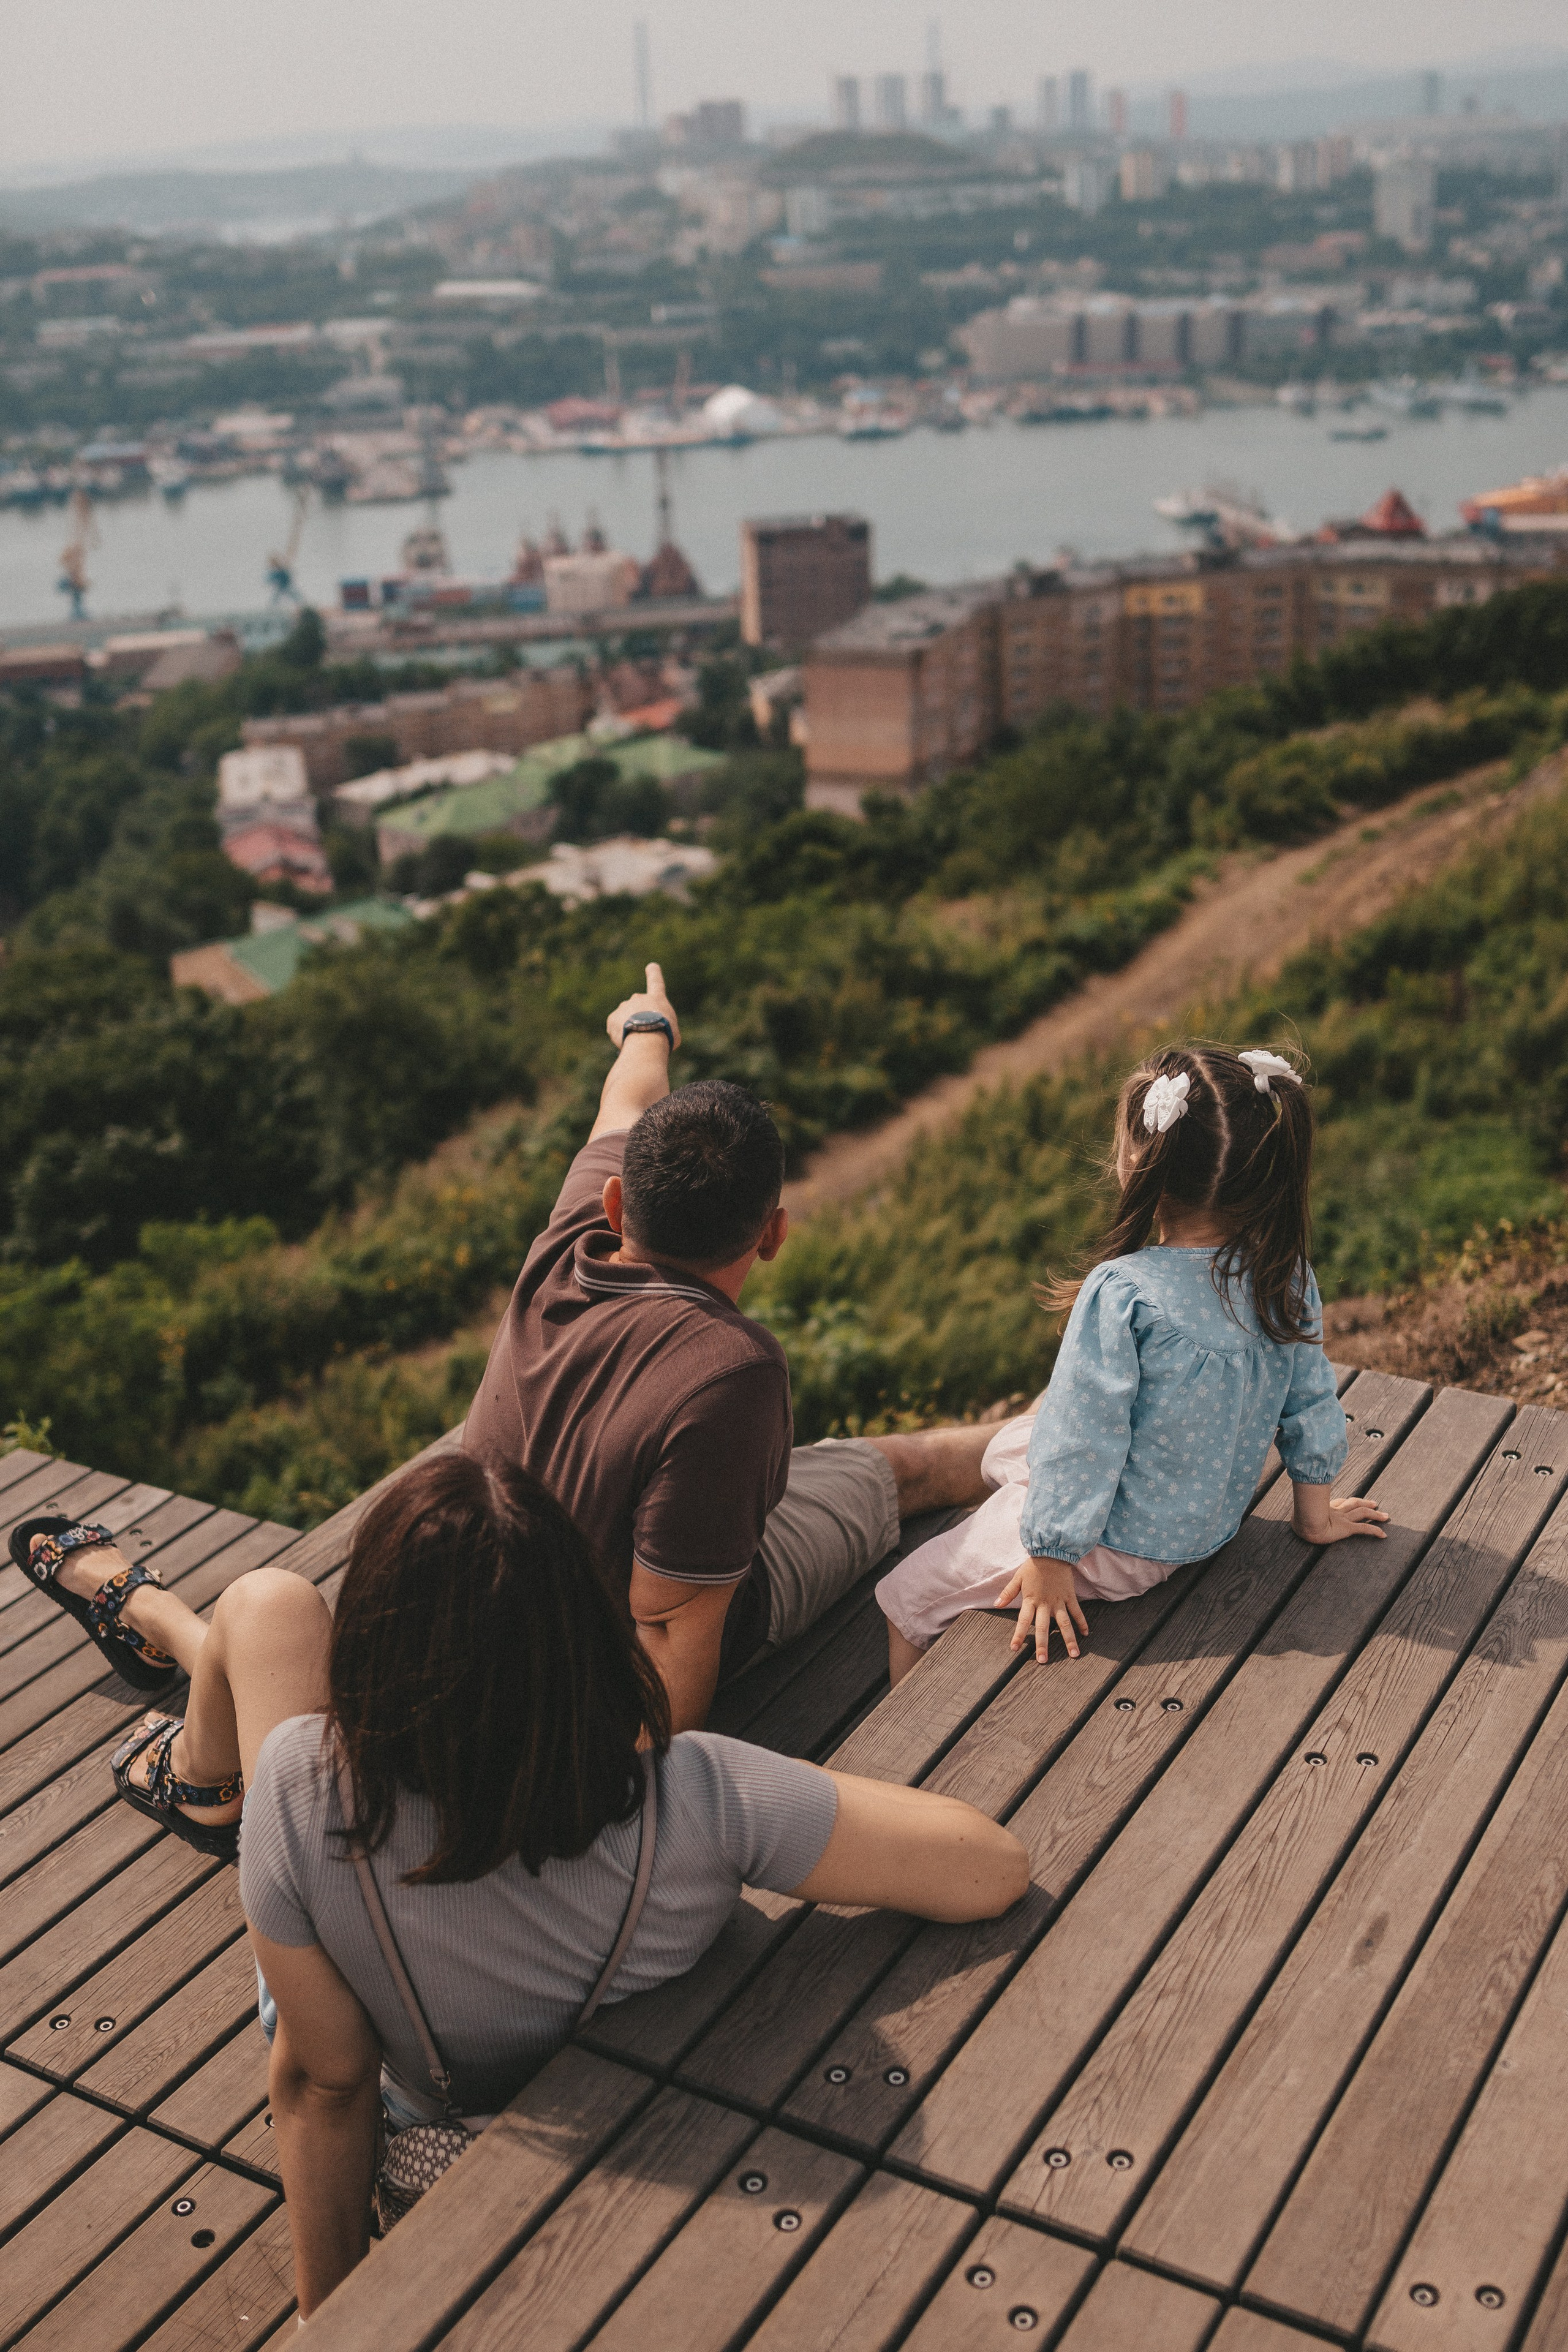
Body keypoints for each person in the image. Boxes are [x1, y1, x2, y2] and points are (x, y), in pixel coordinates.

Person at [16, 1453, 1027, 2321]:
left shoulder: (301, 1780)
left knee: (270, 1605)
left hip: (394, 2028)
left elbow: (323, 2083)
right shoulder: (701, 1796)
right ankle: (170, 1659)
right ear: (589, 1633)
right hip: (573, 2042)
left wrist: (335, 2320)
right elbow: (990, 1867)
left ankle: (173, 1696)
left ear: (369, 1641)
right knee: (270, 1614)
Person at [463, 961, 994, 1730]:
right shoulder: (732, 1369)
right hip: (597, 1672)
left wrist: (649, 1027)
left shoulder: (568, 1239)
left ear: (616, 1201)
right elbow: (671, 1631)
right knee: (902, 1471)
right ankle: (1044, 1437)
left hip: (487, 1605)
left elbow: (627, 1097)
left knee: (822, 1464)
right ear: (774, 1235)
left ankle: (1030, 1431)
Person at [876, 1044, 1390, 1681]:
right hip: (1206, 1521)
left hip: (1116, 1548)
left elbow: (1083, 1437)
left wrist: (1052, 1559)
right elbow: (1310, 1404)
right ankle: (1028, 1502)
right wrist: (1314, 1517)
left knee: (904, 1598)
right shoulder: (1284, 1277)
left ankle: (898, 1760)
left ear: (1138, 1162)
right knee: (1012, 1446)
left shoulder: (1124, 1291)